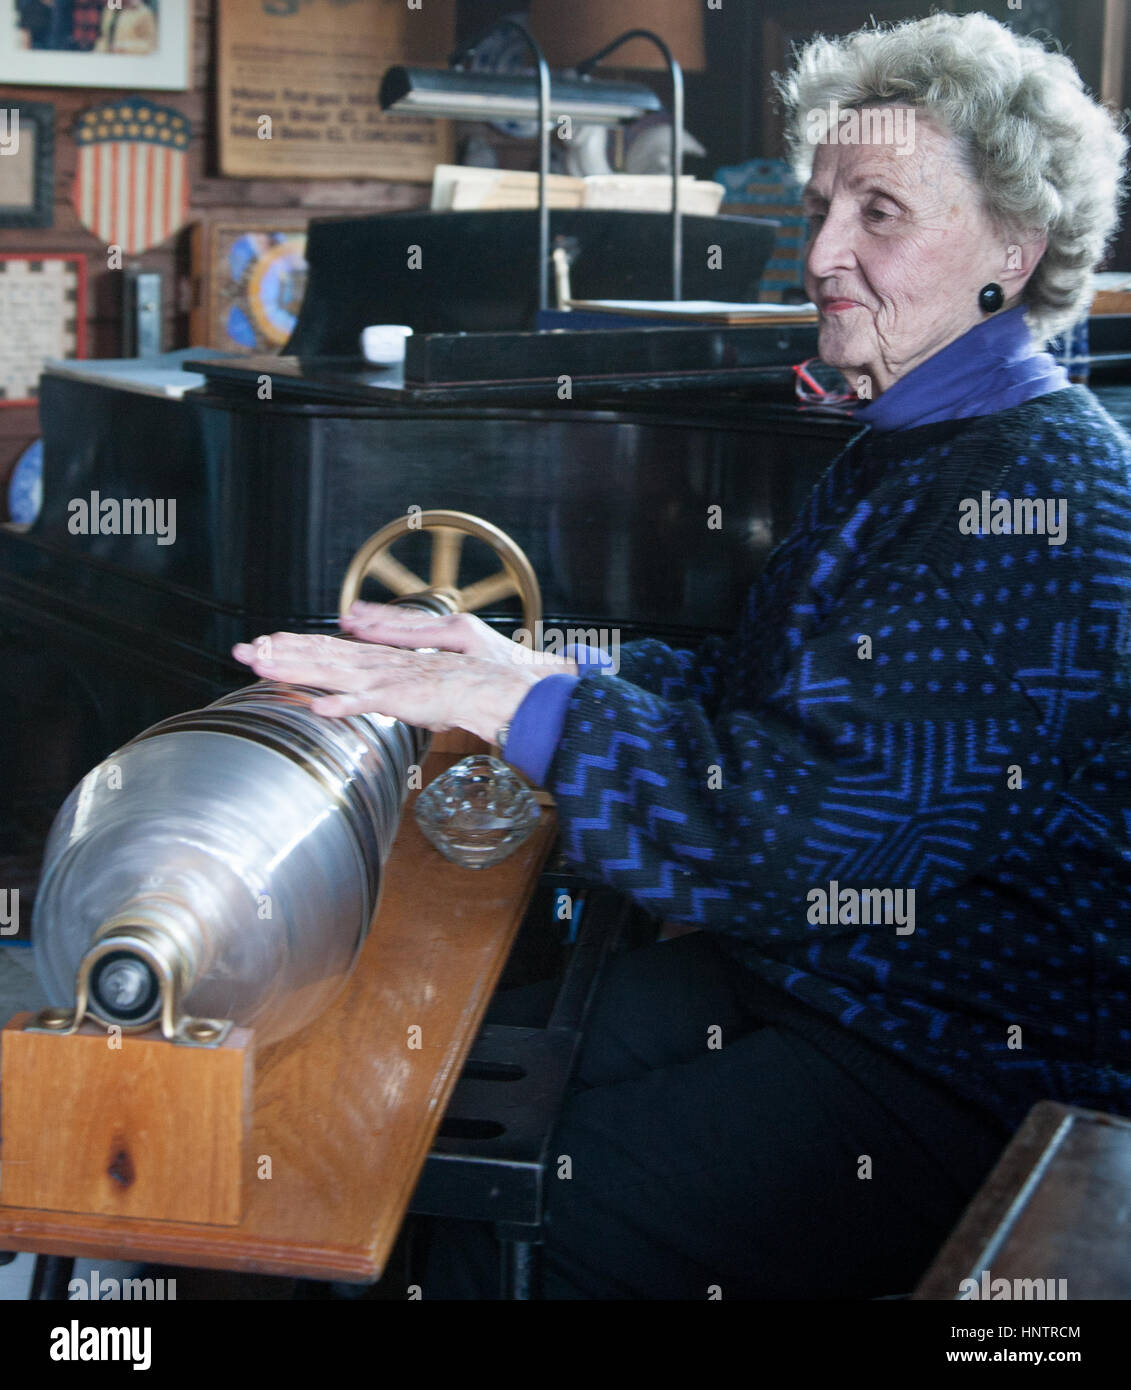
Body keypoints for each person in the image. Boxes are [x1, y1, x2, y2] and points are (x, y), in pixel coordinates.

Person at [233, 12, 1131, 1298]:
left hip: (962, 1053)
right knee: (420, 1087)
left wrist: (526, 702)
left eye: (879, 212)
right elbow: (763, 703)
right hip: (829, 975)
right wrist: (535, 665)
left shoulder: (1046, 488)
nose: (820, 253)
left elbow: (792, 832)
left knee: (514, 1219)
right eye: (822, 205)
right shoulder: (918, 433)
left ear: (1013, 246)